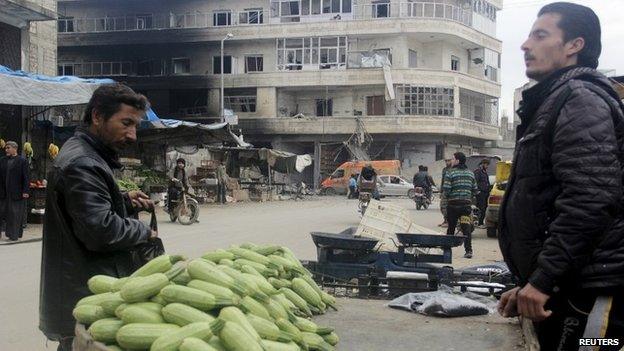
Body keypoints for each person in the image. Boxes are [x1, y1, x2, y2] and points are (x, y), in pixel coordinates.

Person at [497, 3, 624, 350]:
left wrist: (542, 282)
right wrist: (532, 284)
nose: (525, 45)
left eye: (540, 35)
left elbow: (590, 200)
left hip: (591, 298)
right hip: (569, 291)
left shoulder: (579, 99)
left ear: (574, 45)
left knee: (607, 346)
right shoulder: (554, 101)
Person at [39, 84, 158, 350]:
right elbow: (100, 230)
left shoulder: (86, 154)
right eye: (126, 123)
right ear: (97, 116)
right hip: (83, 300)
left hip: (80, 293)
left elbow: (83, 212)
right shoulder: (83, 163)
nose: (132, 135)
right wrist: (142, 231)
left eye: (136, 126)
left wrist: (123, 202)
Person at [442, 152, 477, 259]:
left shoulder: (450, 173)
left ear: (457, 161)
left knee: (451, 228)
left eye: (453, 159)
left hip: (453, 206)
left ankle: (447, 251)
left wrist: (448, 197)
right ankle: (468, 251)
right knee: (466, 228)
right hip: (466, 207)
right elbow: (475, 190)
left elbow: (446, 190)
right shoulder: (471, 174)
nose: (451, 161)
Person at [0, 141, 29, 241]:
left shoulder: (22, 161)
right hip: (3, 193)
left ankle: (13, 235)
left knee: (15, 214)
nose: (6, 150)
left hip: (16, 192)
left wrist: (26, 191)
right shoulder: (2, 160)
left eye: (8, 148)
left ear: (15, 149)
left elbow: (26, 177)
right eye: (6, 148)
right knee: (2, 212)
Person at [473, 159, 490, 227]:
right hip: (481, 193)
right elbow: (475, 182)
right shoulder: (478, 171)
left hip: (485, 193)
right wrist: (477, 191)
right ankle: (479, 222)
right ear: (483, 164)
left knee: (484, 208)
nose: (487, 166)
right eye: (486, 165)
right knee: (481, 208)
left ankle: (480, 222)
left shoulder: (484, 172)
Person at [438, 158, 453, 227]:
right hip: (444, 190)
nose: (447, 162)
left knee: (449, 206)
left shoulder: (453, 169)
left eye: (448, 161)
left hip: (452, 191)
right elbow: (442, 180)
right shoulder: (444, 169)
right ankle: (446, 220)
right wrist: (441, 191)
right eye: (446, 161)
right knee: (443, 206)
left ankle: (449, 221)